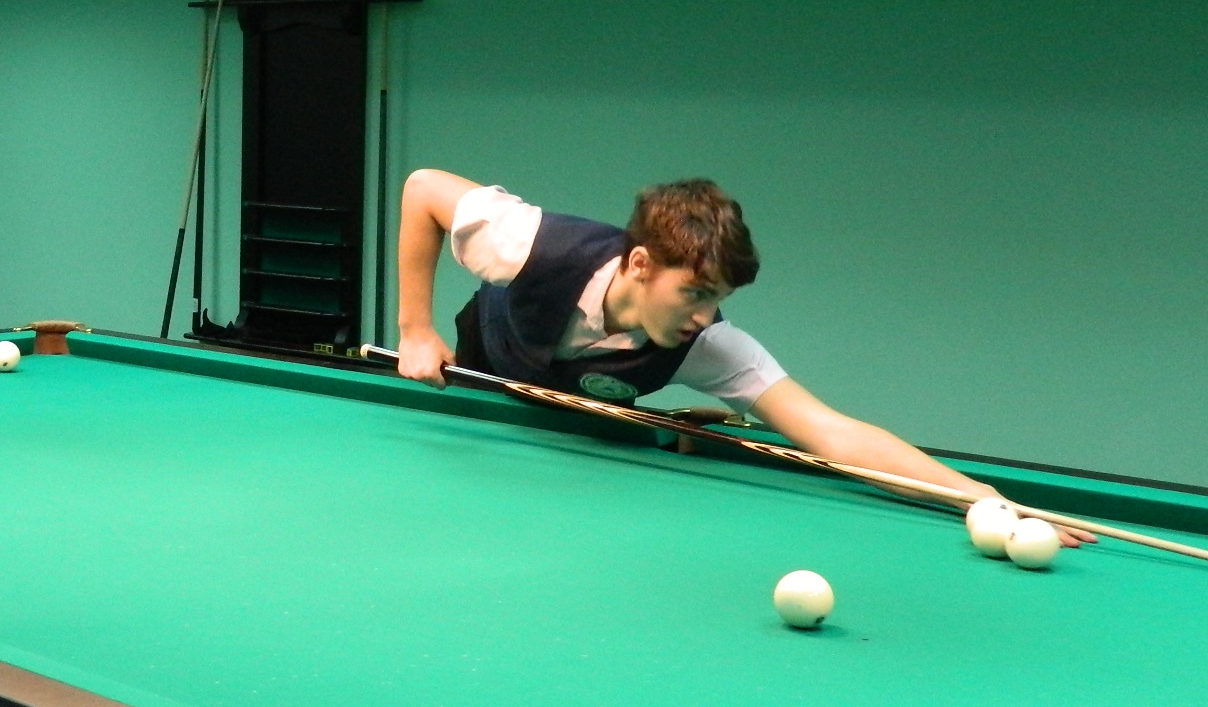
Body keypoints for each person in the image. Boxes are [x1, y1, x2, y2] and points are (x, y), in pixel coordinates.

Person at [393, 169, 1062, 518]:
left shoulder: (707, 346)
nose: (703, 316)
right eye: (693, 293)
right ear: (640, 264)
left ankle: (660, 431)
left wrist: (978, 495)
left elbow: (832, 432)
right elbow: (422, 190)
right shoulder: (529, 242)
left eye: (716, 300)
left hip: (574, 441)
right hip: (475, 383)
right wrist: (414, 329)